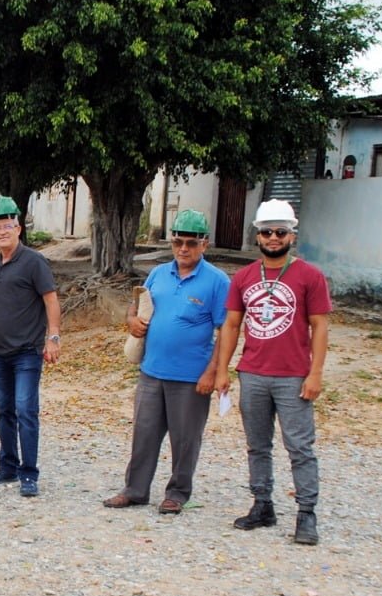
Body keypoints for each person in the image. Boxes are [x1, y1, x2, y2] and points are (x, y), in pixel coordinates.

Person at [215, 199, 331, 545]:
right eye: (267, 232)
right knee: (257, 445)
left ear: (292, 235)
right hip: (252, 372)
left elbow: (320, 327)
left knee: (299, 447)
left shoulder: (310, 276)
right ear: (258, 235)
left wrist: (315, 373)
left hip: (293, 375)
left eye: (280, 232)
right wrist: (223, 370)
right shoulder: (245, 277)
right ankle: (262, 504)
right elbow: (231, 326)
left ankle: (306, 514)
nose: (273, 238)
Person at [103, 209, 229, 515]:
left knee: (185, 438)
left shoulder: (217, 282)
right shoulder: (158, 274)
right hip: (151, 370)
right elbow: (136, 308)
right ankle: (135, 490)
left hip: (190, 375)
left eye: (190, 242)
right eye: (177, 242)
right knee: (144, 433)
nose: (183, 249)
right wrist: (131, 321)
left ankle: (177, 493)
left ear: (204, 244)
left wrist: (213, 371)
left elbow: (226, 330)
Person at [0, 196, 60, 497]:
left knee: (26, 409)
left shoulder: (34, 262)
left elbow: (50, 299)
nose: (2, 232)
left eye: (8, 226)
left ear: (19, 228)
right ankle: (8, 466)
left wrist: (53, 337)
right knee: (4, 411)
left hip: (27, 352)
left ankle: (29, 473)